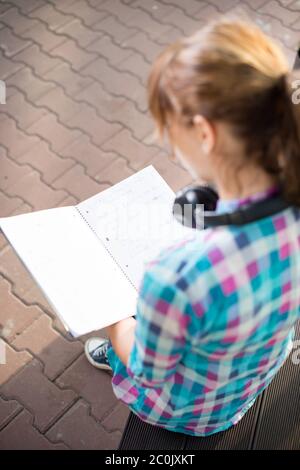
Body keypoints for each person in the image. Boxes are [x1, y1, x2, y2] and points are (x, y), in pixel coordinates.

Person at [84, 17, 300, 437]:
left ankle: (111, 349)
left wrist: (112, 315)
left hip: (187, 413)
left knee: (127, 336)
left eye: (169, 131)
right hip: (247, 381)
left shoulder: (177, 276)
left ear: (204, 133)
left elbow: (148, 372)